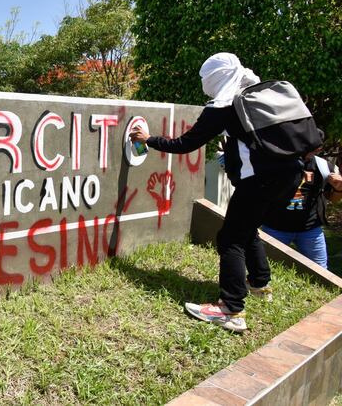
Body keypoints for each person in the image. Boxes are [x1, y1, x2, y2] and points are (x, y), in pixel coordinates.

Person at [130, 52, 304, 333]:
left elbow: (186, 144)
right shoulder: (257, 95)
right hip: (289, 175)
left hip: (260, 180)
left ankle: (231, 309)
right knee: (247, 228)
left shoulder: (225, 104)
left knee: (230, 238)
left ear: (215, 78)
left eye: (205, 79)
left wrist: (148, 139)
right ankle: (261, 284)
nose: (204, 85)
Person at [260, 134, 342, 269]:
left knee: (320, 271)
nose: (316, 149)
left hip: (310, 229)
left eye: (318, 147)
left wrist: (338, 189)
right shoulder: (280, 161)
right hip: (275, 226)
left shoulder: (323, 166)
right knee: (266, 268)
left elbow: (333, 199)